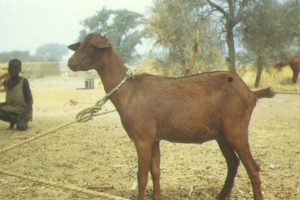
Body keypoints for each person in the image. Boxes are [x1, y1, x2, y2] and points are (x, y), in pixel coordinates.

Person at [0, 59, 33, 131]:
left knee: (21, 128)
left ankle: (22, 121)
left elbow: (30, 101)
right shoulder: (6, 82)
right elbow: (9, 100)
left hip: (22, 110)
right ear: (8, 69)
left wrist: (23, 115)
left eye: (15, 68)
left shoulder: (24, 81)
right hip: (10, 109)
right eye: (11, 68)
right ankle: (13, 121)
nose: (13, 70)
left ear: (19, 69)